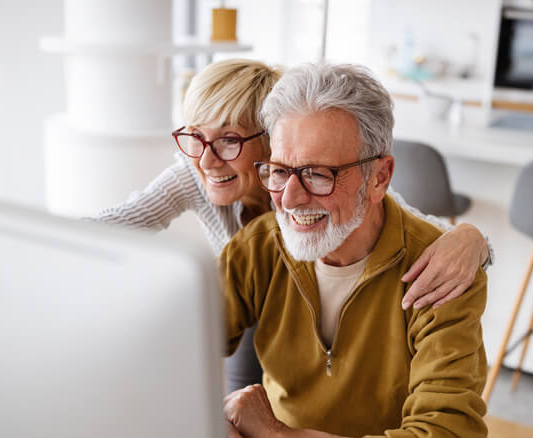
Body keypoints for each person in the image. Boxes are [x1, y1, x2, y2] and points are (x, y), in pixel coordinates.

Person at [95, 59, 492, 394]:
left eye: (229, 139)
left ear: (270, 141)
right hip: (253, 299)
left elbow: (415, 226)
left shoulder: (350, 196)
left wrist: (473, 240)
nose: (208, 160)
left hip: (287, 304)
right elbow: (123, 223)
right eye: (196, 137)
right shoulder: (201, 177)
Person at [220, 63, 487, 438]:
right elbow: (170, 346)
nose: (290, 199)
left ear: (379, 178)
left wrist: (279, 436)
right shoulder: (258, 247)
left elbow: (446, 432)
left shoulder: (442, 274)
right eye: (280, 171)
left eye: (317, 174)